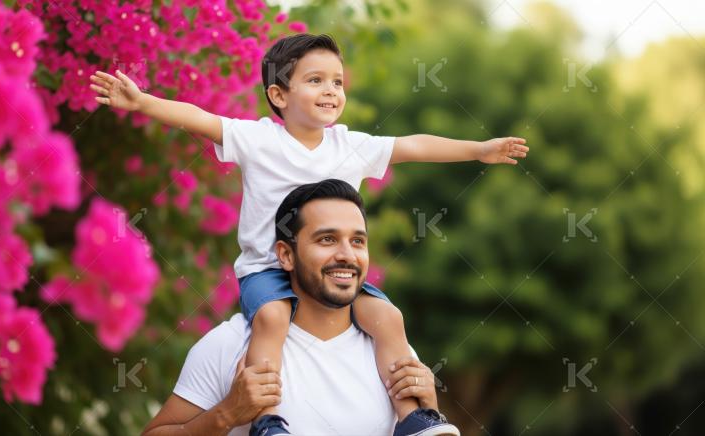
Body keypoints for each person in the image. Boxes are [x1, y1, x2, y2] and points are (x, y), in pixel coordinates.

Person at [91, 33, 527, 435]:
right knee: (273, 317)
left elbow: (413, 145)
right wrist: (144, 102)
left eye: (337, 82)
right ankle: (267, 421)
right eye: (315, 80)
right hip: (266, 271)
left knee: (389, 318)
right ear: (279, 95)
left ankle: (414, 418)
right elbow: (201, 119)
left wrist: (478, 150)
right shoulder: (258, 140)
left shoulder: (349, 145)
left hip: (324, 281)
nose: (331, 91)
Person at [142, 179, 460, 435]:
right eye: (327, 240)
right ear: (286, 255)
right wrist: (226, 415)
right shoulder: (231, 344)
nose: (347, 255)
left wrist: (429, 410)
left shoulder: (390, 350)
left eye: (358, 241)